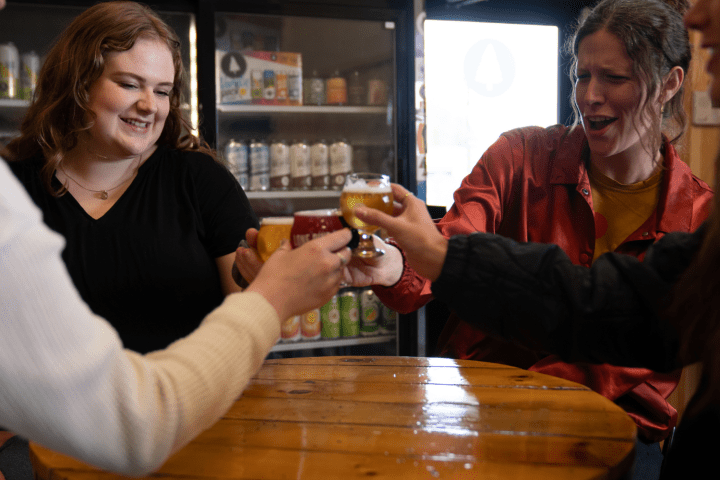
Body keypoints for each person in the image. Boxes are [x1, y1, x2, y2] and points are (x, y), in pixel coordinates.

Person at [347, 3, 720, 476]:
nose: (590, 96)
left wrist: (528, 394)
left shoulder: (700, 214)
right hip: (483, 409)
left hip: (613, 428)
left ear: (669, 84)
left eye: (614, 78)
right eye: (582, 75)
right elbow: (450, 243)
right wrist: (393, 264)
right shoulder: (520, 155)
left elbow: (628, 336)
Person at [4, 1, 257, 355]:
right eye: (129, 84)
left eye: (162, 91)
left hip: (187, 405)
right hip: (45, 411)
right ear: (77, 84)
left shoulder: (201, 181)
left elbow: (252, 318)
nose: (149, 106)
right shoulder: (10, 185)